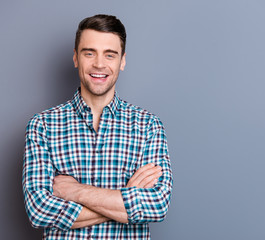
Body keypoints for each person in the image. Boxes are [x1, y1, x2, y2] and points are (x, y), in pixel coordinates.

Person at [22, 14, 173, 239]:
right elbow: (38, 210)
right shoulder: (42, 126)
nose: (99, 64)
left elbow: (157, 205)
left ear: (122, 61)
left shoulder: (148, 126)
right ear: (75, 58)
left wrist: (75, 192)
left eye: (109, 55)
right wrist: (128, 198)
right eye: (89, 53)